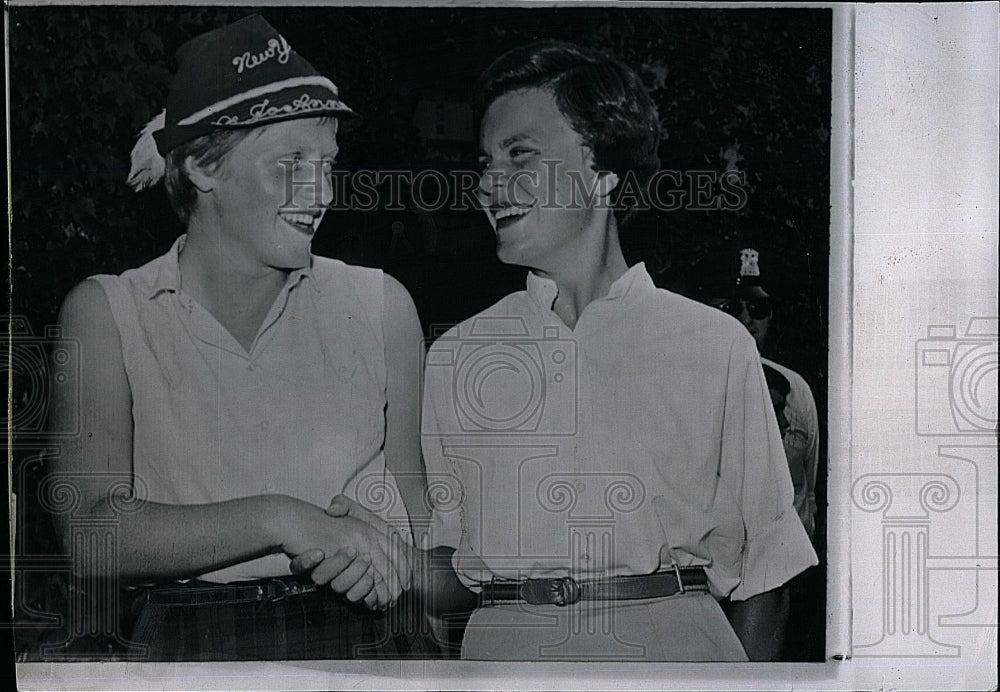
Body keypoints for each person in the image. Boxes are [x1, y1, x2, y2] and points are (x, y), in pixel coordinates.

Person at [414, 40, 818, 661]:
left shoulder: (714, 346)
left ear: (603, 170)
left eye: (519, 156)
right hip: (505, 658)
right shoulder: (457, 354)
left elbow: (769, 573)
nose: (490, 185)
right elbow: (443, 575)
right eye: (485, 162)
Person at [45, 15, 434, 660]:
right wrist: (285, 518)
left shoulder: (379, 307)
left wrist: (386, 558)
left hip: (360, 641)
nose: (322, 193)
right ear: (201, 165)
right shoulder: (110, 312)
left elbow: (421, 525)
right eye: (291, 164)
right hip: (179, 647)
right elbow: (91, 533)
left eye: (328, 164)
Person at [701, 247, 820, 537]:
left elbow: (808, 485)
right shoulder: (690, 390)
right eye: (730, 308)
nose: (746, 320)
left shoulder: (795, 390)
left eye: (757, 309)